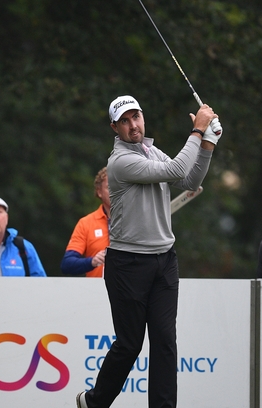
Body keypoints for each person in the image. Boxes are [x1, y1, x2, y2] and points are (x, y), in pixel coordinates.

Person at [77, 95, 221, 408]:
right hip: (128, 263)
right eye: (125, 121)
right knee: (130, 345)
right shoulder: (120, 161)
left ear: (143, 117)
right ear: (115, 127)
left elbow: (190, 179)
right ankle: (95, 401)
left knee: (165, 342)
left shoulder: (150, 151)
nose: (133, 125)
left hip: (164, 261)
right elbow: (177, 168)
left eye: (136, 117)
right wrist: (197, 130)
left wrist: (208, 143)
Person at [61, 167, 110, 277]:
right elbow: (67, 264)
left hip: (131, 291)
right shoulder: (86, 223)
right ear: (99, 192)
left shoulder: (137, 221)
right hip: (97, 291)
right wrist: (92, 262)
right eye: (109, 187)